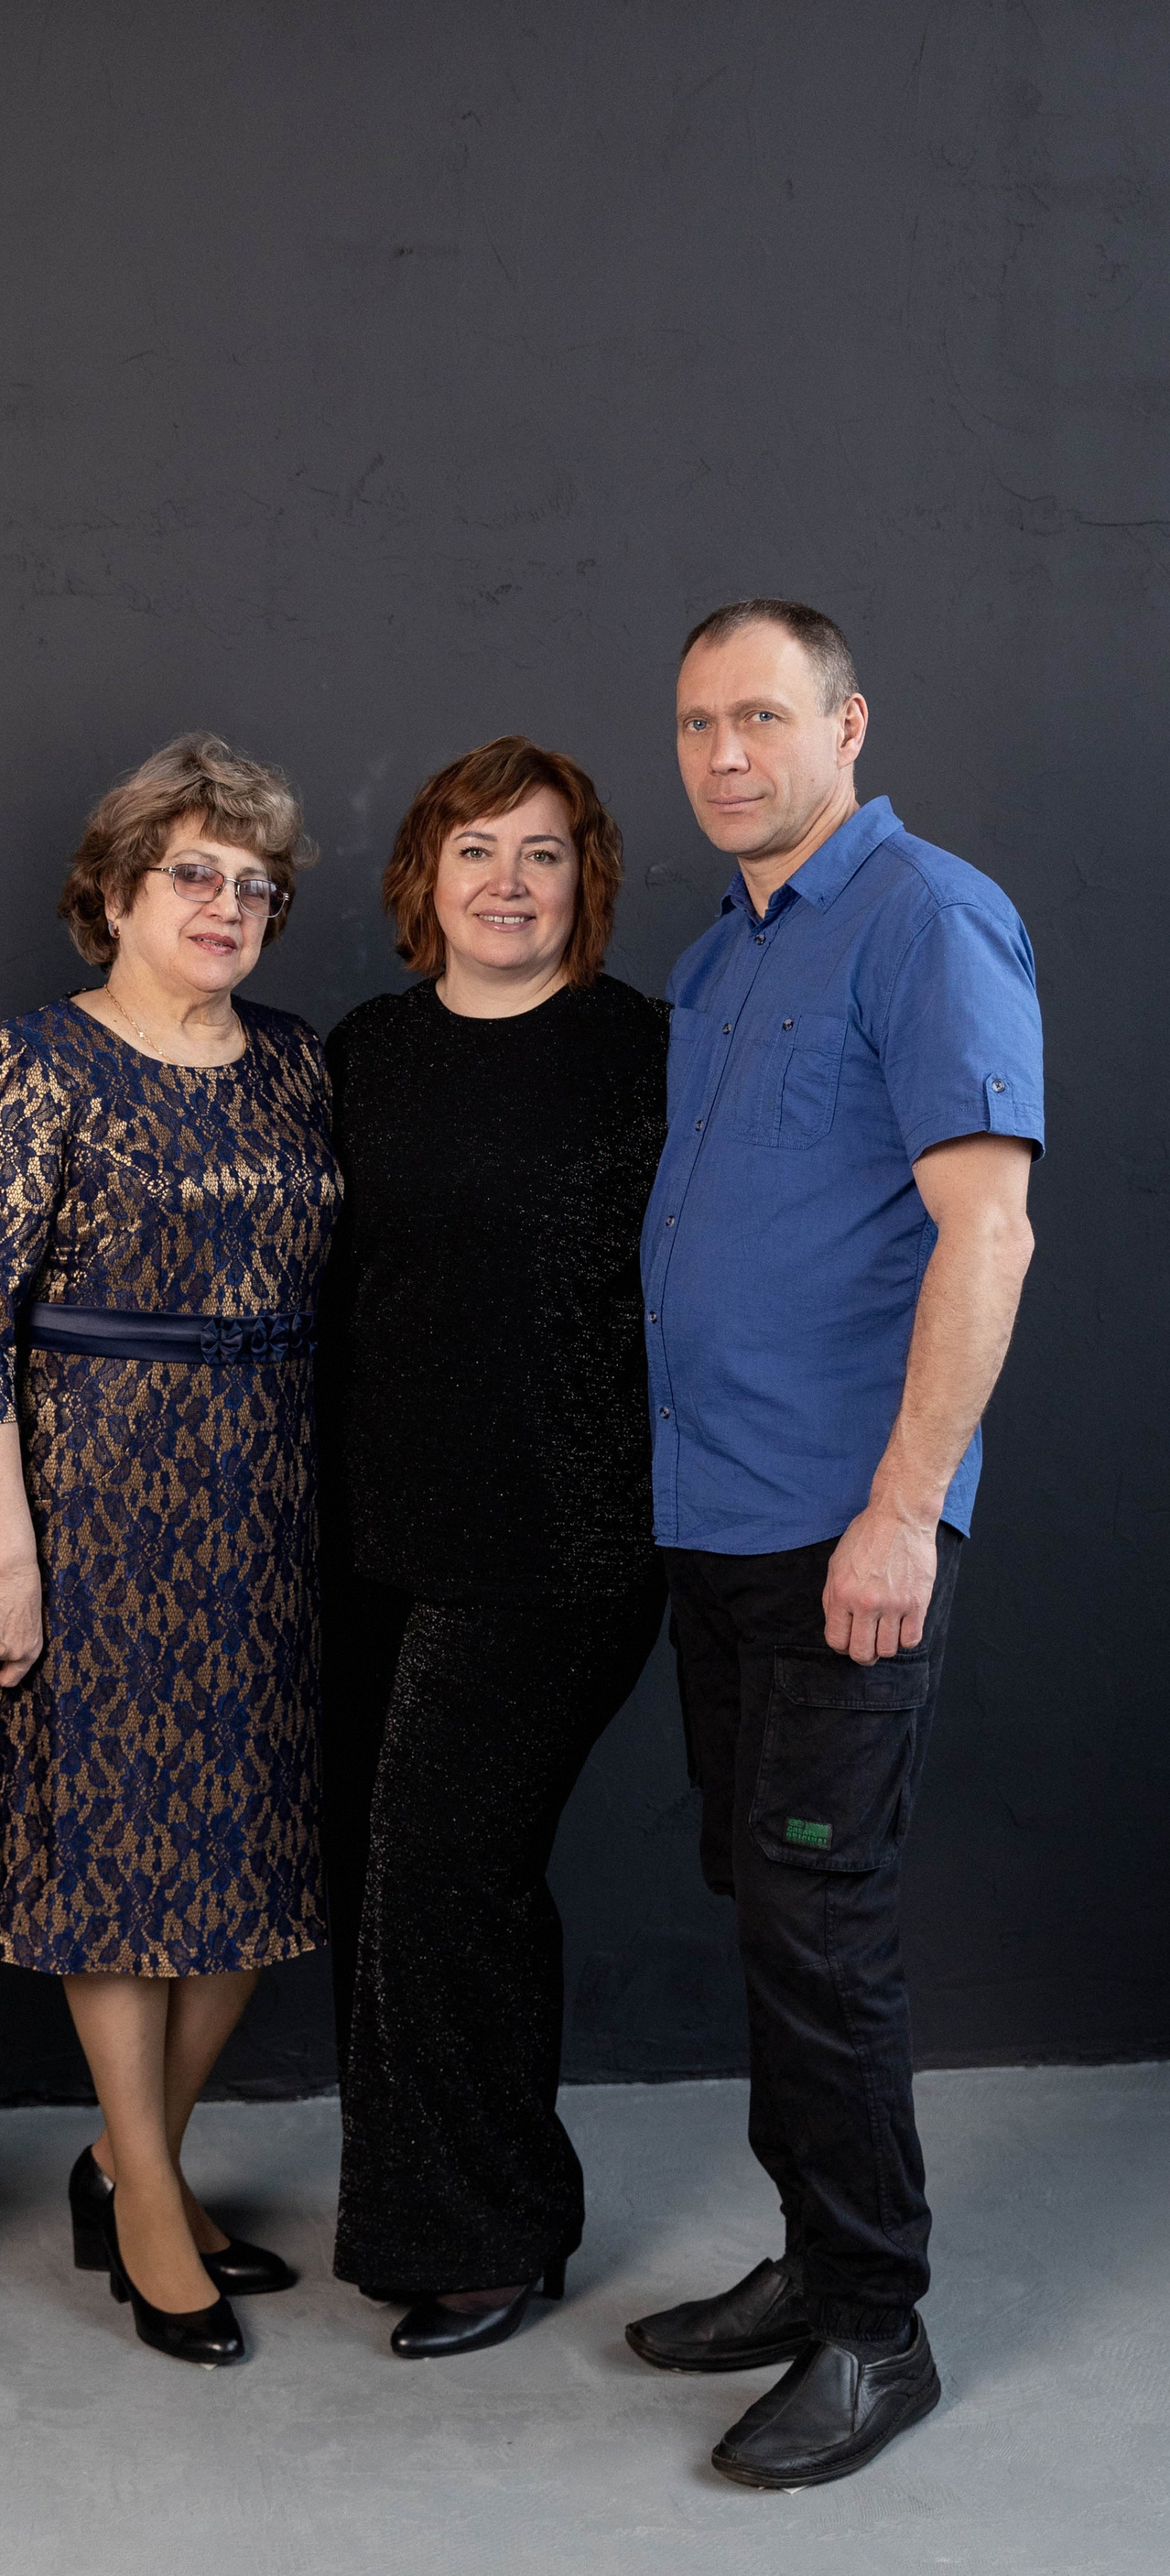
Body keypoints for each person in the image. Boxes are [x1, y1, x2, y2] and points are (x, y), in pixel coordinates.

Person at [625, 600, 1041, 2488]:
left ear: (847, 724)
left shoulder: (929, 918)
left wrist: (901, 1509)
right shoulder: (723, 956)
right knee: (767, 1908)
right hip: (715, 1523)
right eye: (698, 723)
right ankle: (809, 2257)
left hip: (842, 1536)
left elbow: (988, 1230)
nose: (727, 754)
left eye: (764, 717)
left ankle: (877, 2327)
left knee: (824, 1930)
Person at [0, 733, 337, 2370]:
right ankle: (154, 2201)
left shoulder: (299, 1061)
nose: (227, 903)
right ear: (113, 892)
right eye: (194, 874)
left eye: (256, 884)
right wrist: (5, 1553)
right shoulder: (36, 1061)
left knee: (254, 1862)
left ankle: (123, 2156)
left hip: (276, 1498)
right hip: (96, 1496)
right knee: (113, 1857)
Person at [319, 735, 669, 2359]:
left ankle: (492, 2232)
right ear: (426, 876)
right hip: (374, 1534)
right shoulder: (366, 1053)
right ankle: (425, 2205)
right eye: (477, 850)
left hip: (565, 1535)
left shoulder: (645, 1053)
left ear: (585, 880)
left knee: (445, 1867)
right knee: (381, 1872)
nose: (509, 882)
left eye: (543, 852)